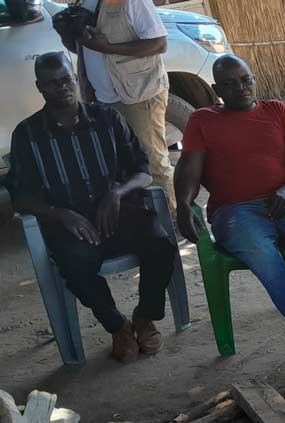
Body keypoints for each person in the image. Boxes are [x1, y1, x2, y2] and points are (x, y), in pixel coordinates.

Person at [174, 55, 285, 375]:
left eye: (245, 80)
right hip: (234, 212)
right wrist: (183, 204)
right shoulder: (203, 119)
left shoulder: (276, 111)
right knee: (268, 260)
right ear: (217, 89)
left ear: (254, 79)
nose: (240, 88)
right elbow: (188, 169)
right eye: (229, 84)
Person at [9, 52, 175, 361]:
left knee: (161, 243)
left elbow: (143, 170)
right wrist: (60, 214)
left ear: (74, 78)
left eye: (66, 79)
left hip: (120, 213)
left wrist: (117, 193)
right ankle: (118, 327)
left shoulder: (107, 119)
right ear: (40, 88)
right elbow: (22, 195)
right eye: (52, 83)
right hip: (71, 224)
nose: (62, 88)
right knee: (73, 264)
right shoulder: (27, 135)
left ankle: (144, 317)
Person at [54, 0, 175, 213]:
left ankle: (173, 222)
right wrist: (65, 33)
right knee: (126, 167)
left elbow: (159, 44)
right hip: (103, 98)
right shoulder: (87, 2)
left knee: (152, 163)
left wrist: (108, 48)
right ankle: (148, 222)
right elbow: (86, 48)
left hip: (138, 94)